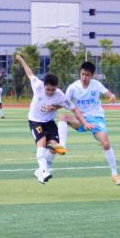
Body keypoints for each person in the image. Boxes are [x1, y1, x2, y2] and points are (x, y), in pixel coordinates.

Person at [16, 52, 90, 184]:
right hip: (35, 120)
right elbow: (29, 72)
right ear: (44, 85)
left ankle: (40, 171)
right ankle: (44, 171)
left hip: (49, 122)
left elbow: (74, 109)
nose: (50, 92)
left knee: (54, 147)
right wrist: (21, 60)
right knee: (42, 142)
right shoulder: (37, 85)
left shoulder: (60, 95)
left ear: (56, 87)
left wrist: (84, 122)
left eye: (53, 90)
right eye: (48, 89)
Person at [59, 61, 120, 185]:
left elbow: (109, 94)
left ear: (92, 75)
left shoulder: (96, 85)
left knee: (105, 143)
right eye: (82, 74)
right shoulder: (73, 87)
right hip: (80, 119)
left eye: (87, 75)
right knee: (63, 117)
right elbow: (63, 102)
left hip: (96, 119)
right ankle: (62, 146)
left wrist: (113, 96)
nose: (84, 77)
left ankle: (114, 174)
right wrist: (52, 106)